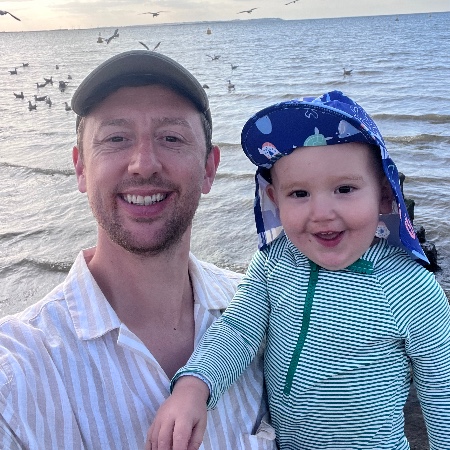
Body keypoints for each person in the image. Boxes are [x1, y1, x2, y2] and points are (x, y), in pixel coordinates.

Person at [0, 50, 277, 450]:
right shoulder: (17, 374)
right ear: (80, 168)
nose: (143, 164)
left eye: (171, 138)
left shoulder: (272, 317)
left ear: (209, 169)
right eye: (116, 138)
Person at [148, 91, 450, 449]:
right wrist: (195, 386)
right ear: (275, 200)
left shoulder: (410, 287)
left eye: (344, 188)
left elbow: (440, 388)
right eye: (299, 194)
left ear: (385, 195)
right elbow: (238, 330)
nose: (321, 212)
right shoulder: (273, 262)